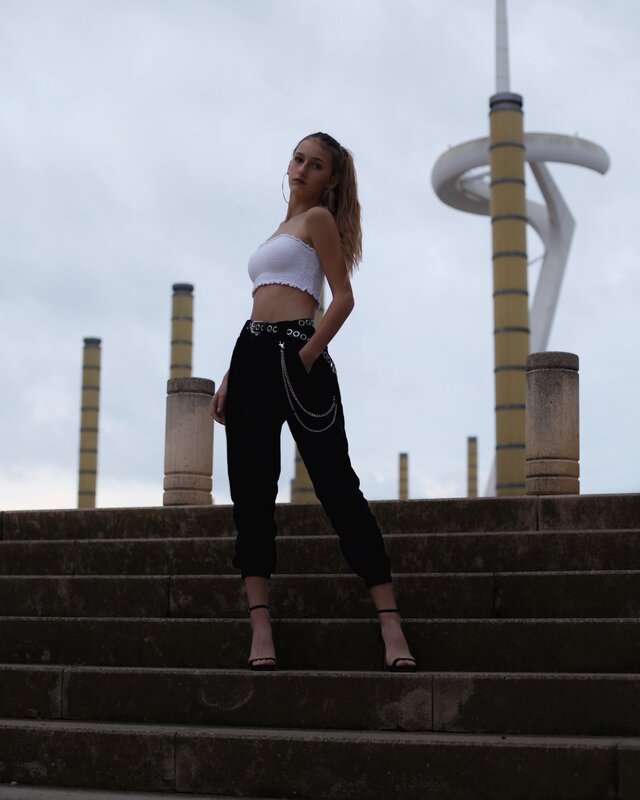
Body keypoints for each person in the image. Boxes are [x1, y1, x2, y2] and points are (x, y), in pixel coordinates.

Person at [209, 132, 416, 673]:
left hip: (296, 353)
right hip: (251, 356)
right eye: (298, 158)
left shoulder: (318, 220)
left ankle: (390, 622)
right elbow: (259, 308)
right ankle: (260, 626)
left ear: (332, 178)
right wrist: (232, 374)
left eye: (315, 163)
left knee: (336, 485)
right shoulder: (276, 233)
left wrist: (306, 354)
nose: (301, 168)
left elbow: (343, 297)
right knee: (251, 493)